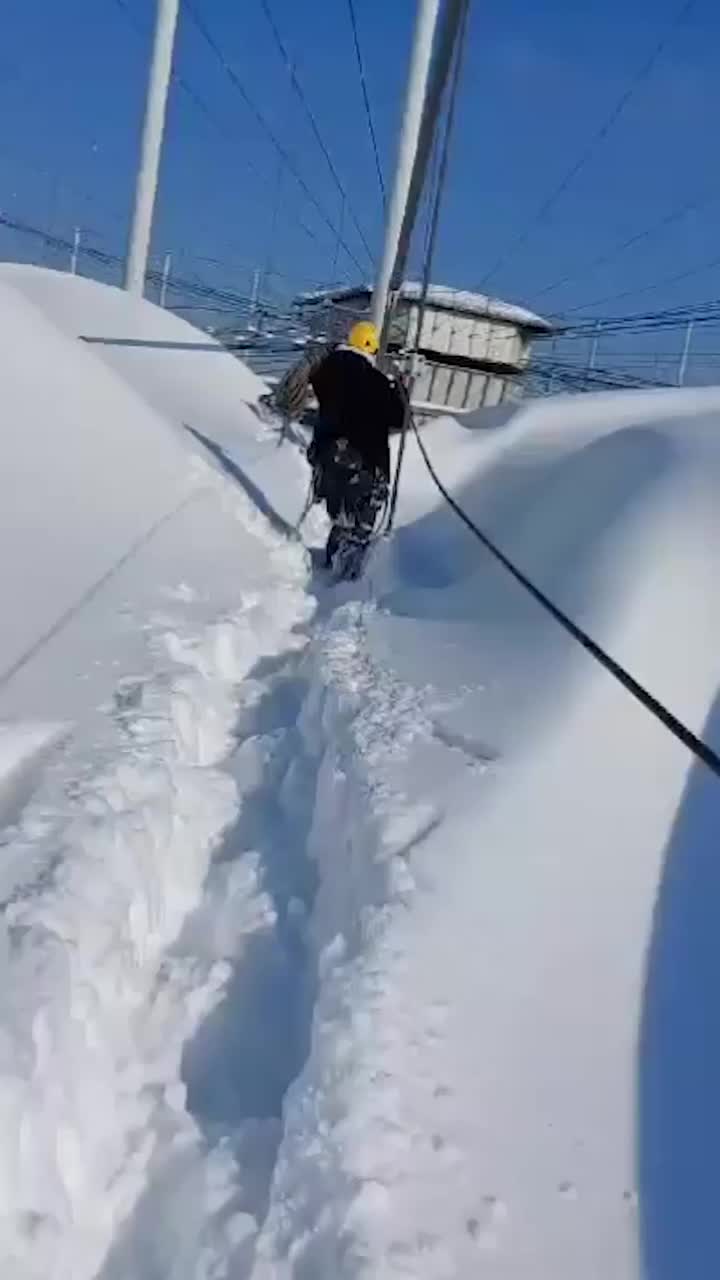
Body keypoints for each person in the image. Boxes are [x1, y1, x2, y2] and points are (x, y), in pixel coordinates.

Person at [274, 321, 406, 576]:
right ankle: (345, 581)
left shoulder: (326, 370)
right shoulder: (376, 381)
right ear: (371, 348)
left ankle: (330, 565)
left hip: (328, 454)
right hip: (366, 460)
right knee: (360, 523)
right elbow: (399, 418)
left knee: (340, 516)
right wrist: (401, 391)